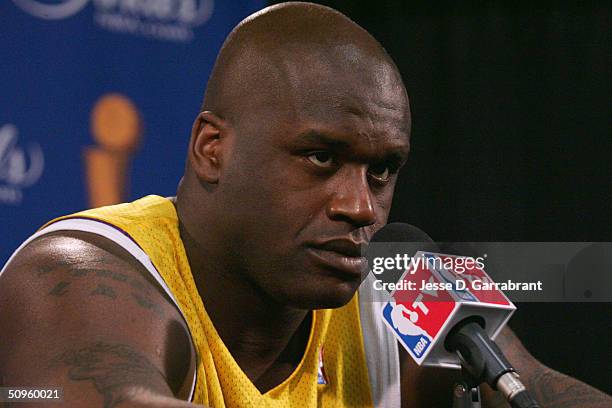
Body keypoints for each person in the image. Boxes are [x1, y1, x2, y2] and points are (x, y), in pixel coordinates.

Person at [0, 2, 610, 407]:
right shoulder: (78, 273)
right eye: (320, 157)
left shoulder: (400, 289)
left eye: (381, 170)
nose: (360, 207)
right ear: (212, 149)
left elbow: (537, 389)